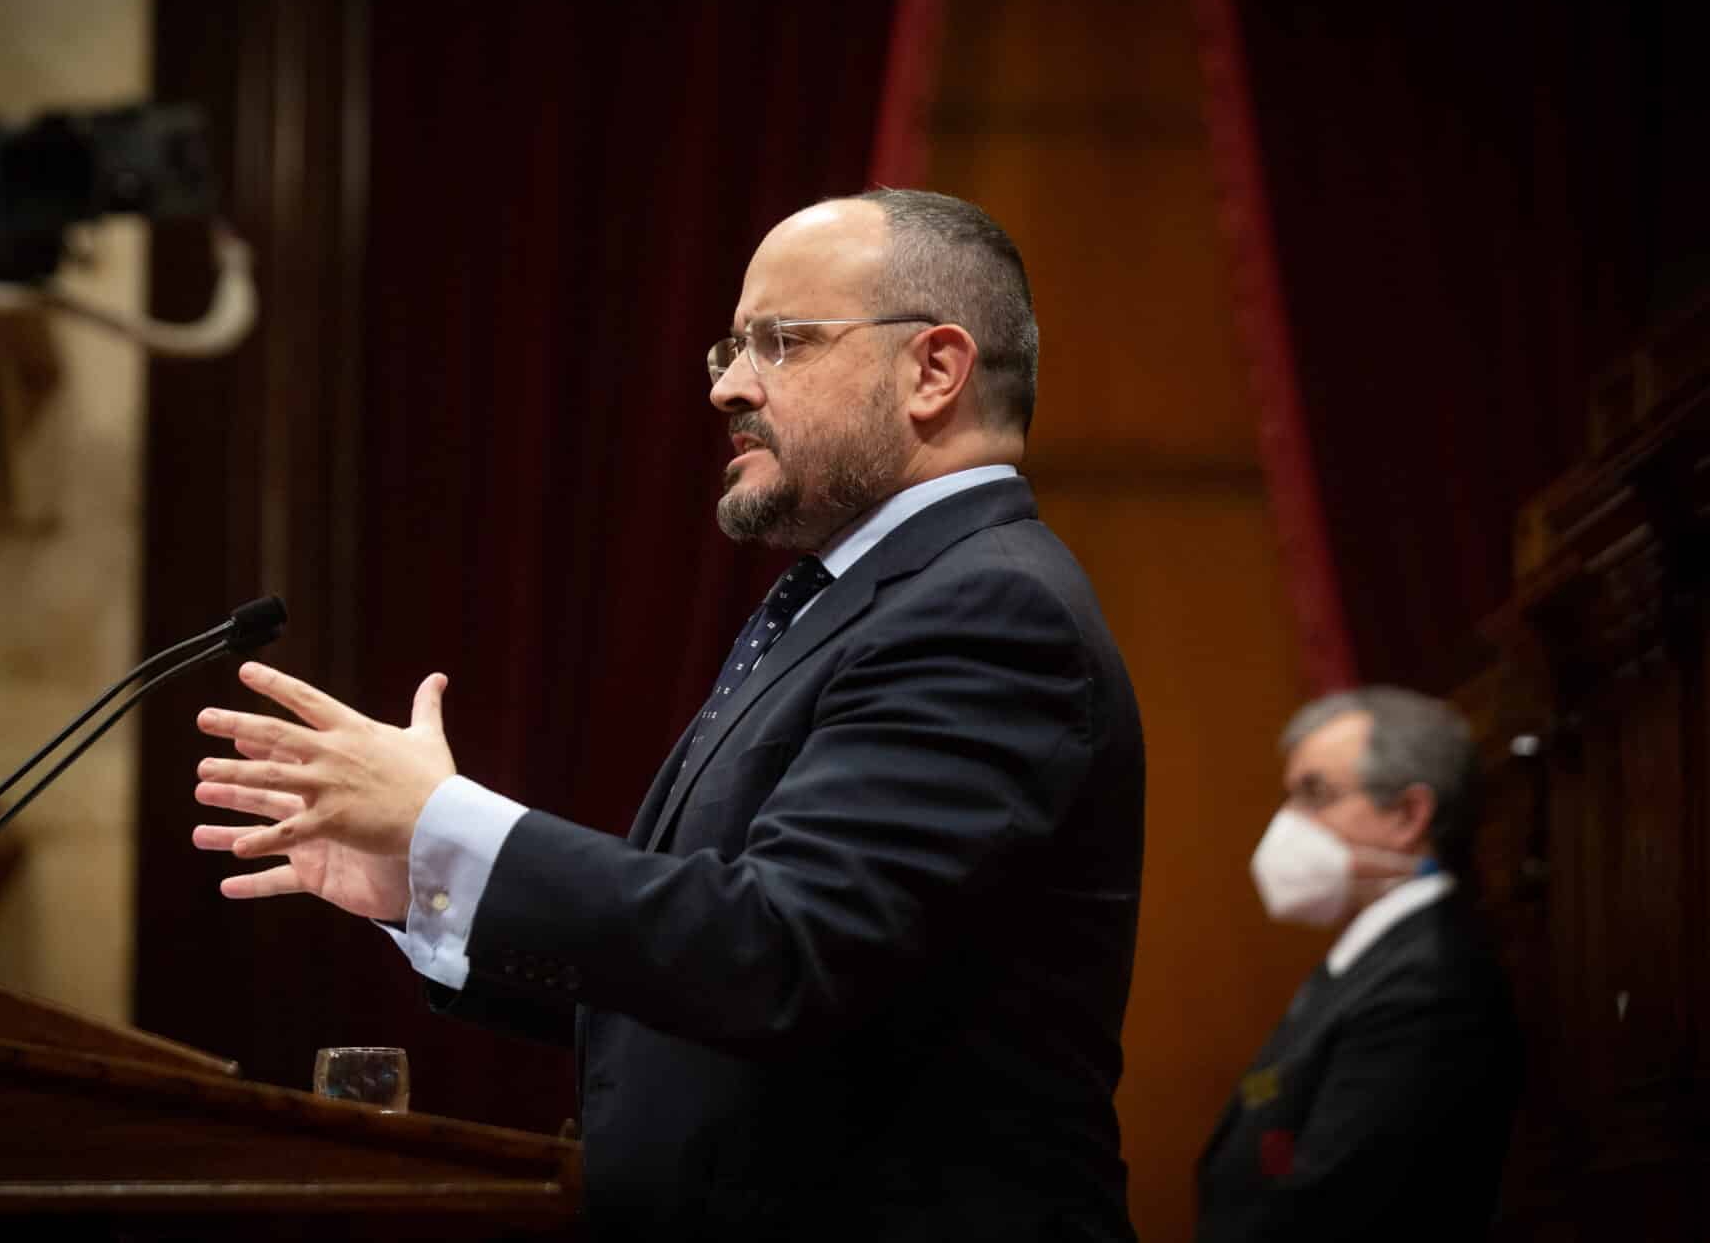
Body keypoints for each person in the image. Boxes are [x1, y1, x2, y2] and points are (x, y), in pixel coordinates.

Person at [189, 189, 1146, 1240]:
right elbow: (705, 988)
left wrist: (449, 822)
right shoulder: (864, 597)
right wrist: (425, 886)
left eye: (779, 341)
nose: (730, 387)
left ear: (933, 369)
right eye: (728, 348)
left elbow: (776, 953)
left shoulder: (988, 610)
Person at [1195, 687, 1522, 1241]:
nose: (1286, 825)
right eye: (1289, 796)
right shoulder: (1372, 959)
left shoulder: (1429, 980)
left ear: (1407, 814)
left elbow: (1334, 1210)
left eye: (1314, 794)